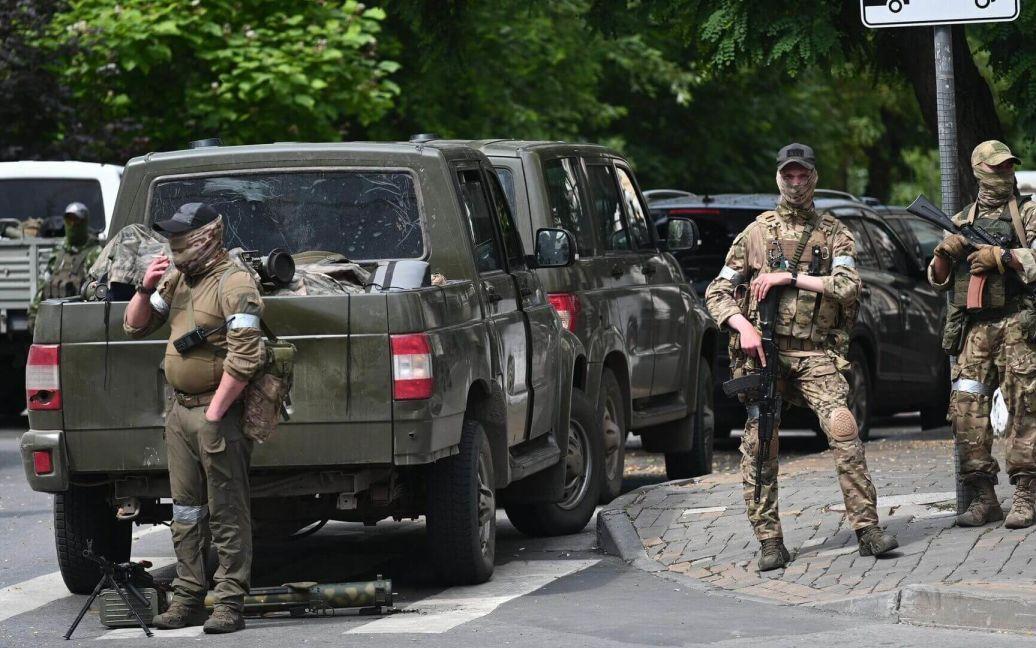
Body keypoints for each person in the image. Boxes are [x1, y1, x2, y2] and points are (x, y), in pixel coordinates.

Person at [705, 143, 898, 571]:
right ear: (779, 176)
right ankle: (770, 541)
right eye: (788, 175)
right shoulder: (756, 233)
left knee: (843, 429)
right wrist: (743, 325)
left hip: (814, 353)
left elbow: (848, 286)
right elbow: (716, 292)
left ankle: (867, 529)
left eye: (802, 175)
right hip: (766, 357)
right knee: (760, 443)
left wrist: (790, 277)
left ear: (814, 177)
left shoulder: (834, 233)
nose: (796, 183)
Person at [123, 202, 265, 633]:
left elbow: (245, 357)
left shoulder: (234, 283)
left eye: (184, 233)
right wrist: (145, 289)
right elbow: (134, 326)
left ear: (207, 234)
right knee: (185, 511)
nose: (176, 242)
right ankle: (187, 598)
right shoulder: (178, 278)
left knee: (226, 510)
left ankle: (228, 603)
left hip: (215, 413)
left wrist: (216, 414)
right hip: (179, 411)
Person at [927, 140, 1036, 530]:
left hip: (1018, 325)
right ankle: (983, 496)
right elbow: (938, 280)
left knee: (1025, 406)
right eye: (996, 168)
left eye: (1009, 168)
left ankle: (1026, 493)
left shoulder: (1027, 213)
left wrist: (1003, 257)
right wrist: (945, 252)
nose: (1004, 175)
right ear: (979, 172)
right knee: (966, 410)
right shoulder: (960, 220)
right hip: (975, 331)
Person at [27, 202, 101, 330]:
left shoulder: (95, 253)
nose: (72, 224)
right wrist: (34, 313)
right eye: (69, 220)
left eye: (76, 220)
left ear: (84, 223)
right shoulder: (59, 252)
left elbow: (98, 293)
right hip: (53, 322)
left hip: (80, 322)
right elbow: (44, 283)